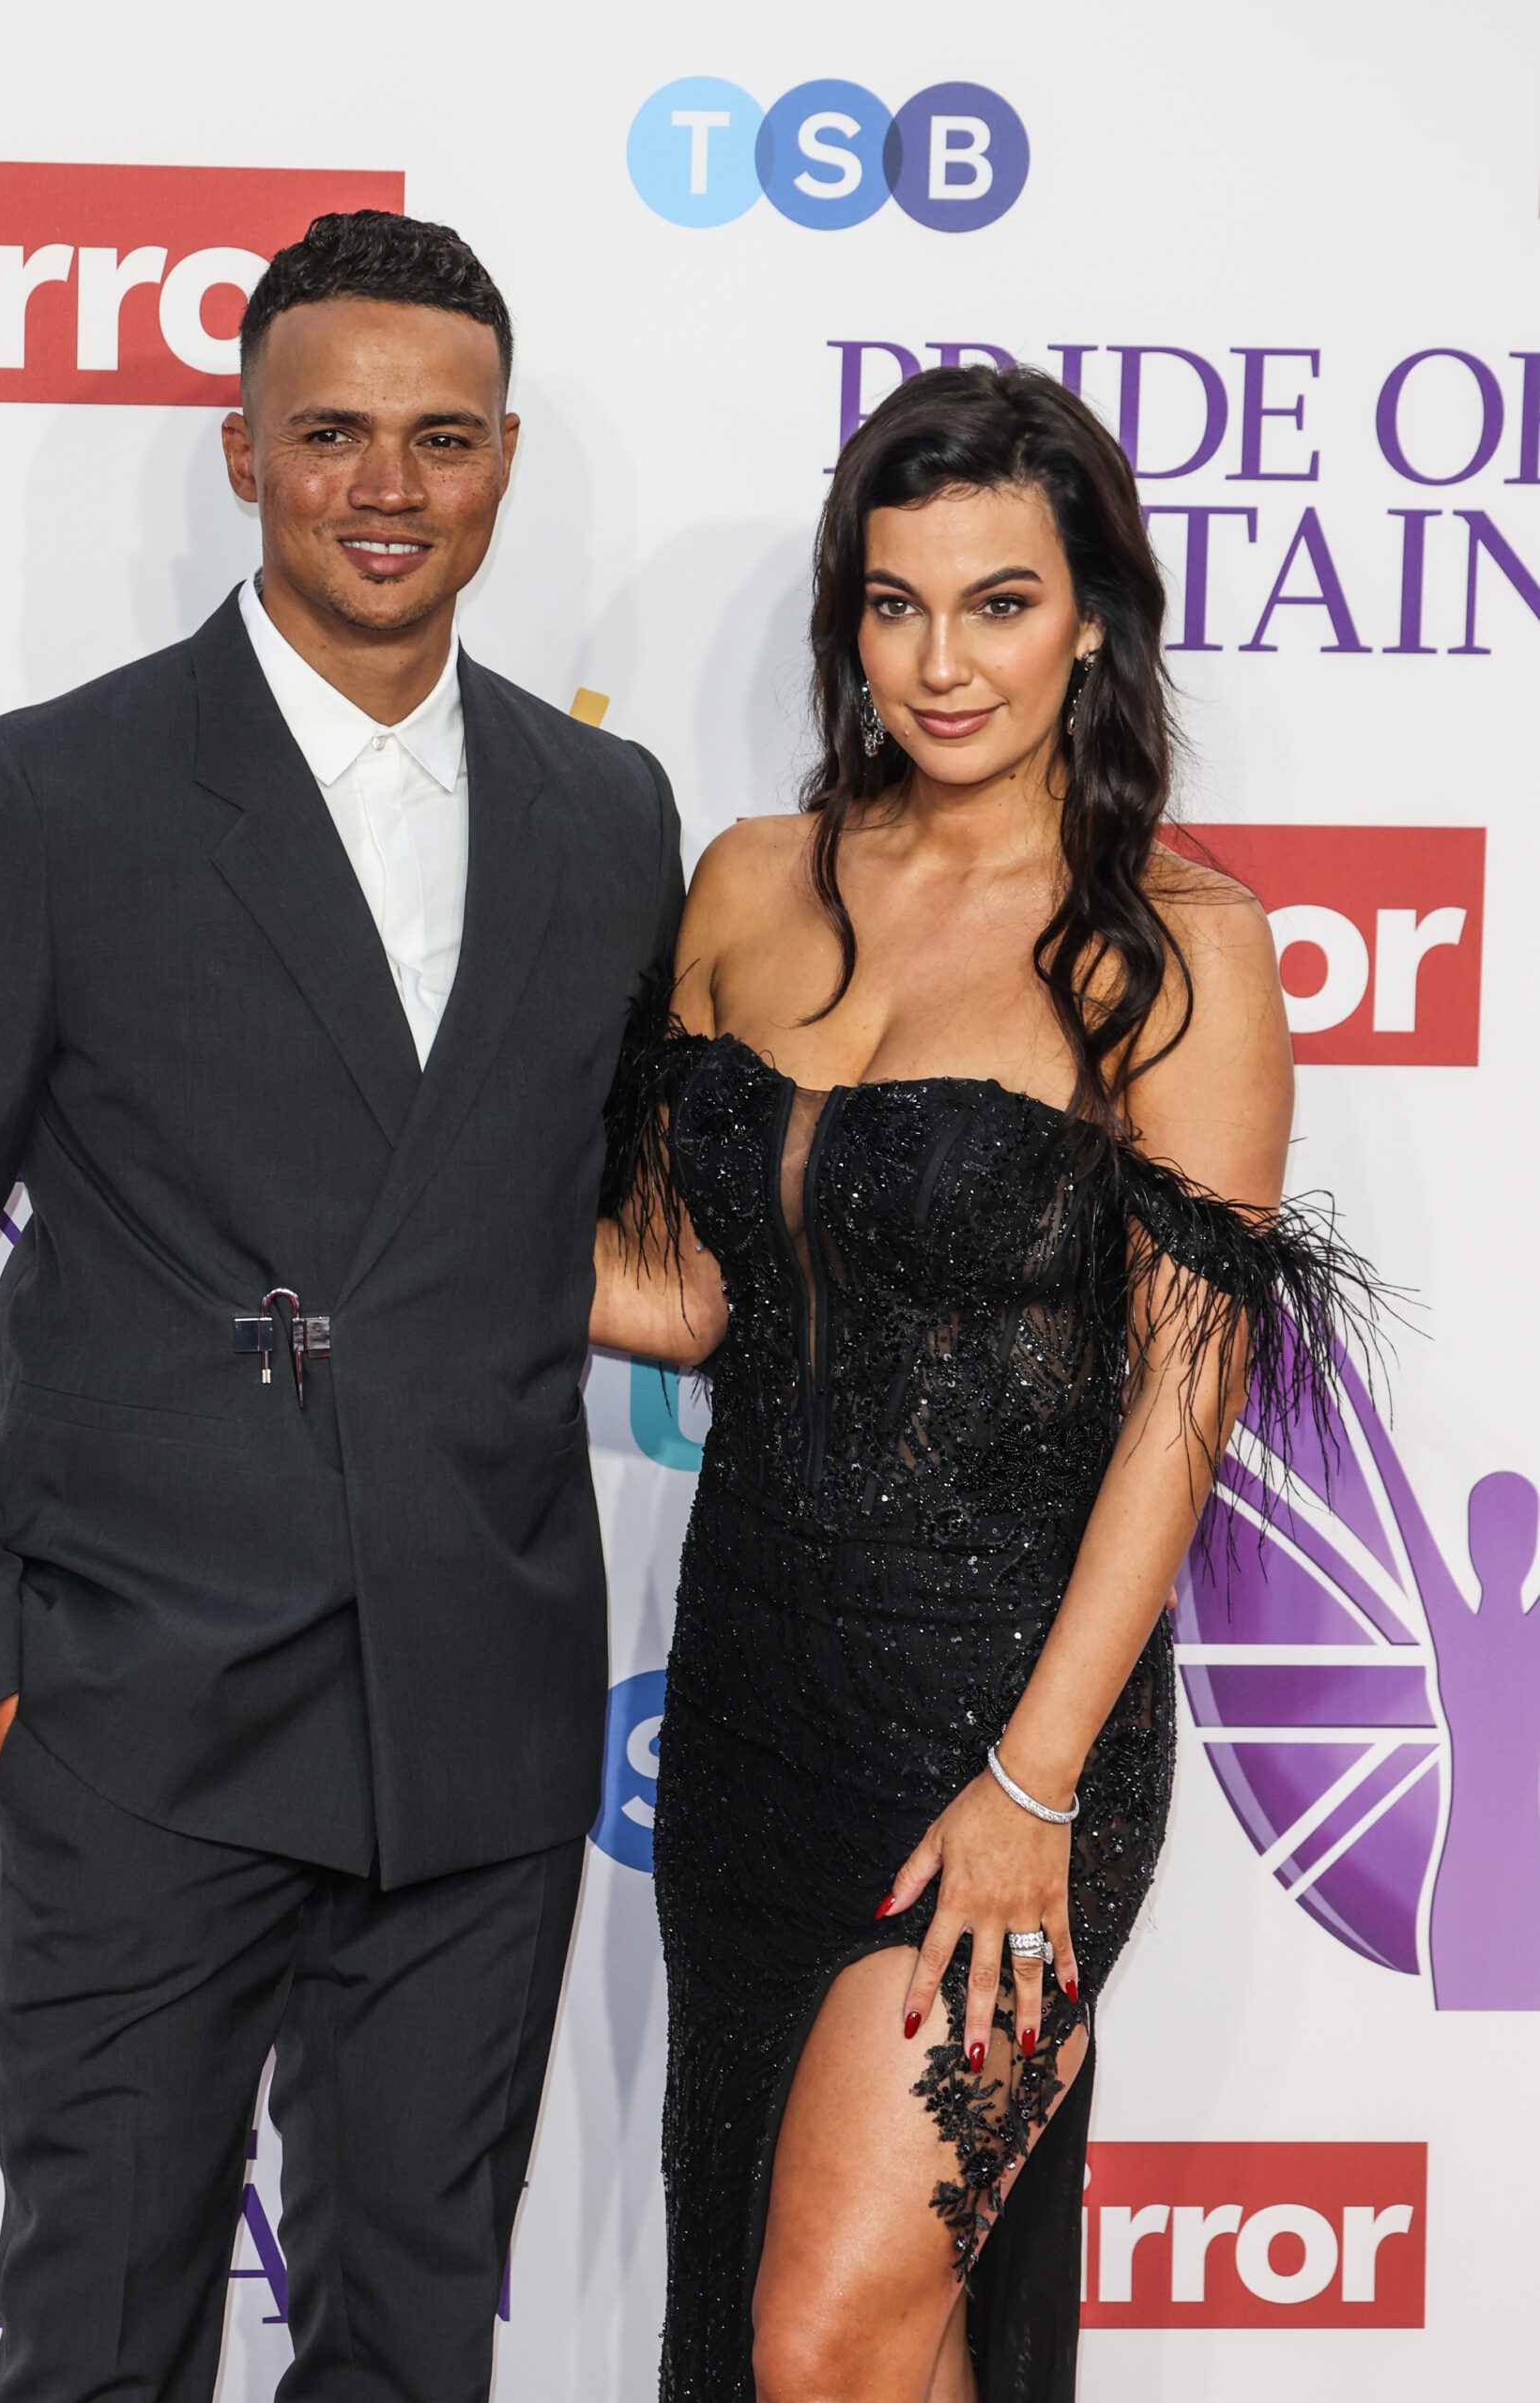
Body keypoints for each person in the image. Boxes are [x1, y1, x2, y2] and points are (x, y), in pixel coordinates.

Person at [0, 210, 682, 2403]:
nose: (388, 485)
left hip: (474, 1709)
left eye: (440, 437)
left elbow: (589, 1223)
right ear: (241, 451)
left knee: (410, 2354)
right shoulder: (49, 791)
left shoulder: (607, 808)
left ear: (503, 462)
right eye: (333, 433)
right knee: (99, 2349)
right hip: (142, 1713)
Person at [590, 365, 1368, 2402]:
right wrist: (346, 1219)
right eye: (895, 602)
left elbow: (1181, 1409)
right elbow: (682, 1289)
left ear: (1094, 617)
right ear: (847, 616)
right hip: (752, 1699)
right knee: (838, 2334)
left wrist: (1032, 1785)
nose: (944, 663)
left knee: (827, 2330)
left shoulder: (1175, 950)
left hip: (1012, 1737)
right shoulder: (757, 880)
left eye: (1001, 602)